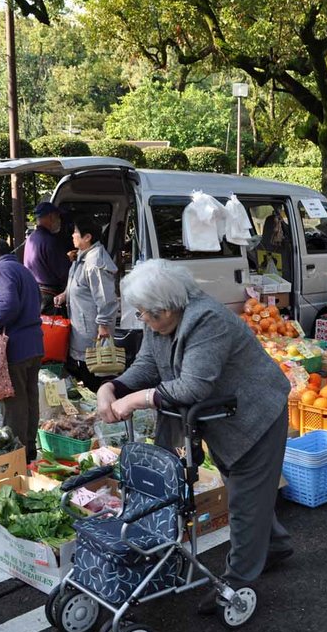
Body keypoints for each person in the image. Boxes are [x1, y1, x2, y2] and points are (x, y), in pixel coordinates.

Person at [95, 259, 292, 612]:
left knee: (244, 497)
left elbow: (193, 386)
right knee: (244, 490)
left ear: (167, 308)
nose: (143, 321)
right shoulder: (160, 322)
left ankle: (237, 583)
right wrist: (113, 386)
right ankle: (274, 545)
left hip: (255, 415)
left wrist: (136, 400)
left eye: (146, 314)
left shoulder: (207, 319)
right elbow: (149, 365)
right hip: (223, 418)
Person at [0, 237, 44, 463]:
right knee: (29, 398)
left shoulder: (1, 271)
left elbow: (8, 304)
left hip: (15, 346)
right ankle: (29, 451)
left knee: (14, 403)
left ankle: (16, 456)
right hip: (34, 344)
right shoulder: (22, 270)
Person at [54, 217, 118, 392]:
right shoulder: (83, 257)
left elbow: (106, 298)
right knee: (85, 368)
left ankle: (103, 409)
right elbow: (80, 285)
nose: (73, 235)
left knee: (96, 372)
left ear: (87, 237)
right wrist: (65, 295)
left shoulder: (95, 262)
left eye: (76, 232)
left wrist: (104, 325)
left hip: (93, 329)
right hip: (82, 327)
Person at [23, 202, 72, 314]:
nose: (59, 220)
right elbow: (63, 272)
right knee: (54, 330)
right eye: (58, 217)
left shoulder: (31, 238)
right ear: (51, 216)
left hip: (34, 293)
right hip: (50, 297)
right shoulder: (51, 241)